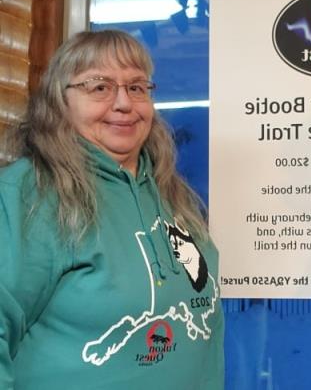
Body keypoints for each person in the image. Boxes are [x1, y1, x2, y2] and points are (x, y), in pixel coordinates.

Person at [0, 30, 224, 389]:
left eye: (137, 87)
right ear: (60, 100)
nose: (123, 103)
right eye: (99, 87)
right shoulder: (26, 196)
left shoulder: (171, 194)